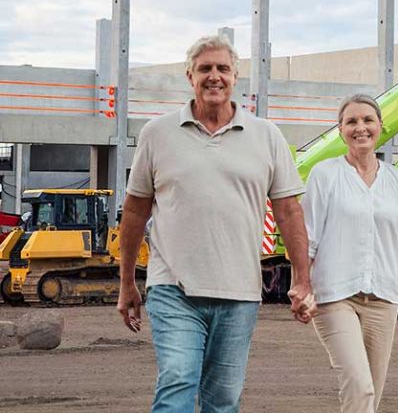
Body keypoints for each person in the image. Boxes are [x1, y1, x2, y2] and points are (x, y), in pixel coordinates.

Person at [117, 35, 312, 413]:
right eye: (204, 68)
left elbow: (289, 212)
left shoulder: (266, 136)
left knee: (223, 401)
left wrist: (302, 279)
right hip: (173, 288)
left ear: (236, 76)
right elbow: (135, 211)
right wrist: (126, 282)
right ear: (189, 76)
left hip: (240, 293)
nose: (214, 76)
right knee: (177, 377)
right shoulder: (157, 134)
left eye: (223, 68)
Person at [302, 93, 398, 412]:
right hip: (335, 297)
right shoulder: (324, 175)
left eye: (367, 120)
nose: (360, 127)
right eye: (351, 121)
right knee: (360, 387)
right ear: (340, 130)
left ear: (381, 126)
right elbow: (309, 239)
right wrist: (301, 286)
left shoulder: (396, 181)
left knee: (371, 394)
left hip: (383, 299)